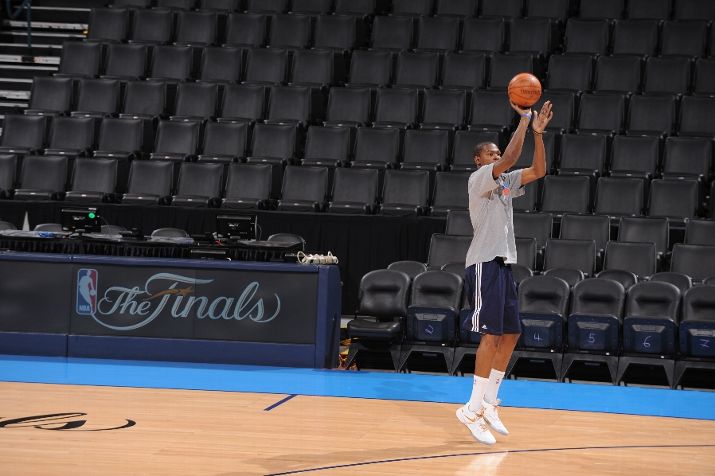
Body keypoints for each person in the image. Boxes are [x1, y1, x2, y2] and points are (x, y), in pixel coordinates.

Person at [456, 99, 554, 445]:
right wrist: (525, 120)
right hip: (483, 263)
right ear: (479, 160)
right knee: (490, 336)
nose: (497, 157)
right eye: (491, 154)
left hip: (502, 263)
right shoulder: (479, 179)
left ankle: (489, 402)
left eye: (497, 154)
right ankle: (470, 409)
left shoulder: (506, 183)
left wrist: (539, 135)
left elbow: (538, 171)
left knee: (511, 334)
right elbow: (512, 158)